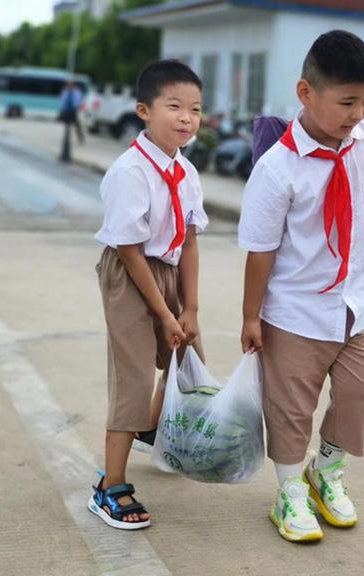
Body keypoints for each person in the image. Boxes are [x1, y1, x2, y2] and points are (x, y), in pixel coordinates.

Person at [238, 30, 364, 543]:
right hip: (295, 310)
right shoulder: (277, 167)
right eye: (347, 101)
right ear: (306, 93)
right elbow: (259, 251)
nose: (358, 113)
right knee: (291, 408)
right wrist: (250, 316)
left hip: (358, 302)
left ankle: (325, 473)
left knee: (359, 394)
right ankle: (288, 494)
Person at [88, 60, 208, 530]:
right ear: (143, 110)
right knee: (134, 376)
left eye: (195, 110)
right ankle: (110, 485)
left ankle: (150, 428)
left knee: (185, 356)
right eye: (174, 107)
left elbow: (192, 240)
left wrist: (190, 307)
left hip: (170, 269)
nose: (186, 118)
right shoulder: (131, 172)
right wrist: (162, 313)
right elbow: (129, 249)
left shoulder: (187, 171)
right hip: (130, 272)